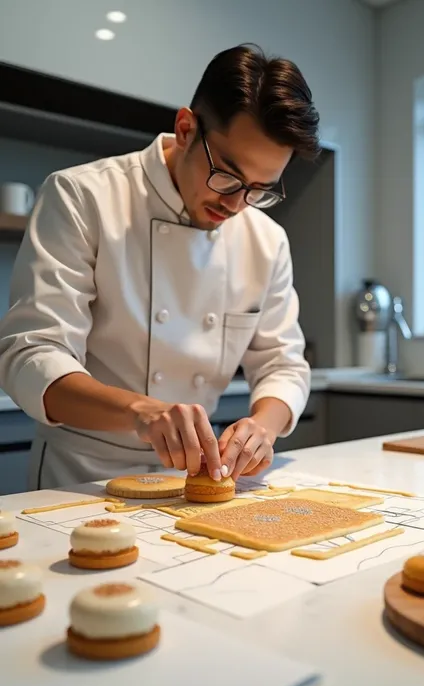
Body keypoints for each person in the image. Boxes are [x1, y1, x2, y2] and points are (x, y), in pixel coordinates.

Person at [0, 43, 320, 490]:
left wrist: (263, 427)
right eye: (227, 176)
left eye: (259, 190)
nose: (235, 205)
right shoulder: (83, 196)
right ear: (186, 128)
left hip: (193, 476)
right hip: (82, 475)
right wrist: (141, 412)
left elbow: (283, 364)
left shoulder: (265, 240)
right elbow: (31, 354)